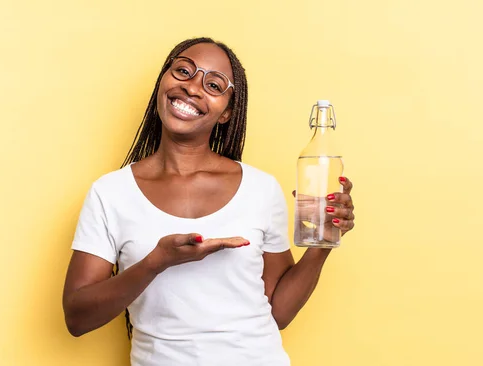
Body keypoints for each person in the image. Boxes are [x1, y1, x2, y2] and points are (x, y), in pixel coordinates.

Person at [62, 37, 356, 366]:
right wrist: (156, 262)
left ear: (227, 112)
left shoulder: (260, 188)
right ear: (163, 81)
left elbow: (279, 312)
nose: (192, 87)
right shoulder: (110, 193)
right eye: (183, 71)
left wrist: (323, 243)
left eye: (214, 85)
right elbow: (77, 318)